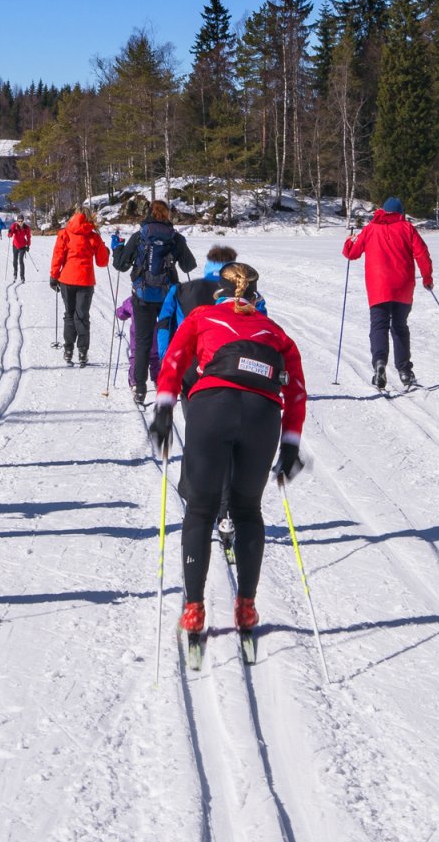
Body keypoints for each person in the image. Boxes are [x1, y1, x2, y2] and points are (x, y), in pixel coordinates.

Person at [149, 263, 307, 640]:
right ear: (256, 296)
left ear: (218, 292)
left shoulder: (203, 315)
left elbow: (174, 360)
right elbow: (297, 389)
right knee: (248, 510)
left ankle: (193, 609)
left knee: (201, 510)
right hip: (262, 415)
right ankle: (247, 607)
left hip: (211, 408)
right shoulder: (276, 332)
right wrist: (290, 442)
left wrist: (164, 410)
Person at [343, 197, 433, 390]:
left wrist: (349, 241)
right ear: (400, 212)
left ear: (383, 211)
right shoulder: (407, 228)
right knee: (400, 326)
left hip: (378, 286)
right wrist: (427, 278)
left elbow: (352, 253)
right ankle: (404, 370)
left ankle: (379, 364)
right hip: (403, 286)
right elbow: (422, 253)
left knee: (379, 326)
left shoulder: (370, 228)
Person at [112, 200, 197, 404]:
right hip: (168, 297)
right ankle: (168, 382)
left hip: (142, 297)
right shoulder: (174, 238)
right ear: (167, 214)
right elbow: (189, 265)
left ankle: (139, 388)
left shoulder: (140, 236)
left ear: (149, 213)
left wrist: (117, 247)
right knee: (170, 340)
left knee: (142, 343)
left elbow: (120, 265)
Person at [49, 204, 110, 366]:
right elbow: (102, 262)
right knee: (82, 316)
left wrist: (54, 276)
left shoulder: (65, 233)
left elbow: (58, 256)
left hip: (67, 279)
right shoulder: (92, 236)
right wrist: (105, 249)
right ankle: (82, 352)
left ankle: (68, 350)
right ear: (89, 217)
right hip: (85, 281)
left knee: (69, 315)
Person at [7, 218, 32, 282]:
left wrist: (28, 245)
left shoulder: (26, 227)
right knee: (15, 260)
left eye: (21, 221)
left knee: (21, 260)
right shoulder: (14, 226)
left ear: (23, 221)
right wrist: (9, 232)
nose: (20, 222)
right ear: (17, 221)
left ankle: (22, 277)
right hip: (15, 245)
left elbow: (28, 237)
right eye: (19, 221)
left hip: (22, 246)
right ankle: (15, 274)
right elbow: (10, 235)